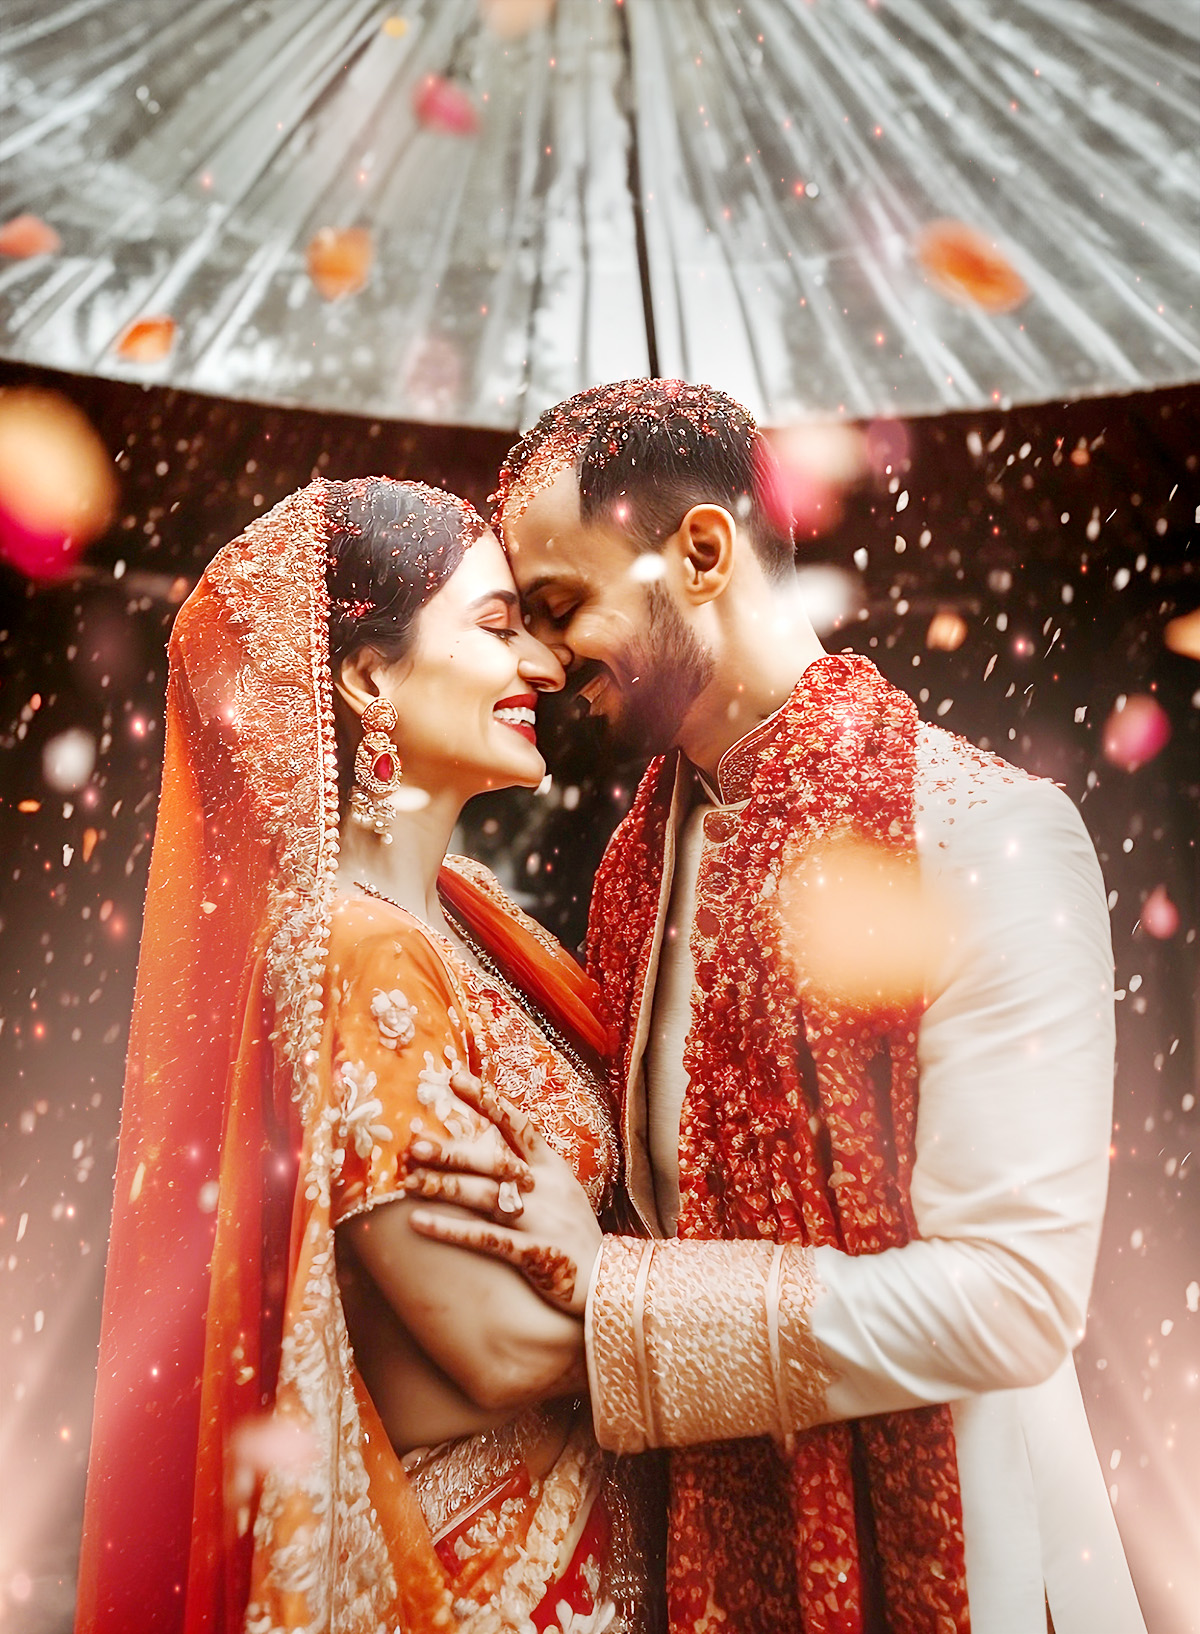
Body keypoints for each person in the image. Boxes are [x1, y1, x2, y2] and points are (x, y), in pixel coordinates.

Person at [407, 380, 1148, 1634]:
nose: (536, 657)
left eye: (558, 605)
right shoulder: (634, 873)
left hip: (969, 1559)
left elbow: (1010, 1297)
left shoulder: (985, 839)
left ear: (701, 554)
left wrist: (615, 1293)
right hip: (705, 1560)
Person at [75, 476, 657, 1634]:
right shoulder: (355, 949)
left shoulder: (472, 920)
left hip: (581, 1549)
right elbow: (488, 1346)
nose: (541, 668)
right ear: (368, 675)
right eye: (495, 629)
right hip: (482, 1585)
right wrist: (699, 1313)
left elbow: (468, 1355)